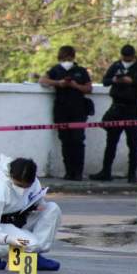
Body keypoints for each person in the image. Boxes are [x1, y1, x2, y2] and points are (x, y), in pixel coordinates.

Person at [0, 155, 61, 271]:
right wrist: (7, 239)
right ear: (11, 176)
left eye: (27, 186)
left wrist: (38, 205)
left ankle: (33, 254)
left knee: (52, 209)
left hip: (21, 218)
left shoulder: (35, 182)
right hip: (0, 225)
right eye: (19, 185)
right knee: (30, 243)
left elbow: (36, 200)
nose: (23, 190)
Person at [90, 44, 137, 183]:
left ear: (133, 56)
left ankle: (132, 174)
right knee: (111, 141)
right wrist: (114, 80)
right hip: (117, 107)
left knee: (133, 143)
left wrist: (132, 81)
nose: (126, 59)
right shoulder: (117, 65)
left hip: (133, 108)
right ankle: (106, 172)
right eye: (124, 57)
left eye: (128, 57)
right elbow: (105, 81)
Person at [39, 46, 93, 181]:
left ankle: (78, 173)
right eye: (64, 57)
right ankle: (69, 172)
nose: (67, 60)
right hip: (62, 110)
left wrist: (75, 86)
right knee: (65, 141)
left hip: (78, 110)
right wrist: (59, 83)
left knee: (78, 141)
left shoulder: (81, 71)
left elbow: (88, 88)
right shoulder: (56, 70)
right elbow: (43, 81)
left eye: (69, 57)